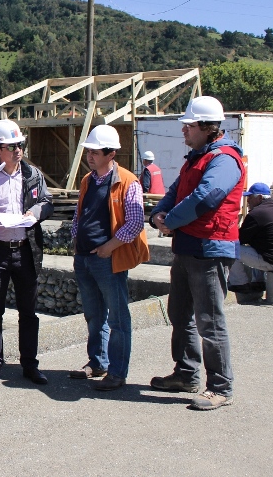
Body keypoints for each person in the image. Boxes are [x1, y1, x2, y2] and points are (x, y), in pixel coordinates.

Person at [149, 95, 244, 411]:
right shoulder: (196, 158)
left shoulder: (225, 160)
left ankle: (220, 387)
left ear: (207, 127)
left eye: (189, 126)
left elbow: (207, 197)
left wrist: (170, 222)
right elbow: (176, 191)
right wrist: (158, 215)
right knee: (179, 314)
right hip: (188, 248)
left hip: (210, 250)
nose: (184, 132)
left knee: (209, 320)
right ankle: (186, 374)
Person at [0, 119, 54, 387]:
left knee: (29, 312)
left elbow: (47, 201)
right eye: (12, 146)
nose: (18, 150)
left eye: (20, 145)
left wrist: (35, 213)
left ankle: (30, 364)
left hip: (26, 252)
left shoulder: (33, 175)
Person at [69, 124, 150, 391]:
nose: (89, 156)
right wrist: (75, 239)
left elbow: (136, 222)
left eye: (94, 151)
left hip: (108, 259)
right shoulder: (87, 180)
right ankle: (98, 362)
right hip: (84, 257)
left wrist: (110, 247)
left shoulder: (127, 181)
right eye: (88, 151)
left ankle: (117, 372)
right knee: (93, 314)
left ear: (110, 153)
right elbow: (79, 215)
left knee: (117, 318)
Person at [228, 182, 273, 292]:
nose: (248, 201)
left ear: (259, 198)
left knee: (230, 249)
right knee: (259, 248)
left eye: (250, 197)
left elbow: (239, 239)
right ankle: (259, 282)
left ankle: (240, 284)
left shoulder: (256, 214)